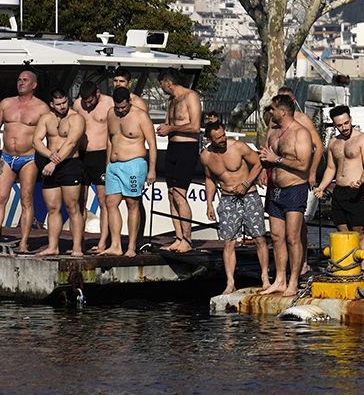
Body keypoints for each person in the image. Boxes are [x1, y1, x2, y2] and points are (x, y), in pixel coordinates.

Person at [202, 120, 268, 295]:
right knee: (228, 242)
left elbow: (259, 162)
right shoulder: (206, 156)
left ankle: (265, 279)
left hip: (249, 196)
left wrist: (246, 183)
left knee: (259, 238)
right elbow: (209, 179)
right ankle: (230, 282)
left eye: (223, 135)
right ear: (209, 139)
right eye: (218, 138)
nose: (223, 139)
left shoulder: (238, 147)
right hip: (227, 199)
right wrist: (209, 203)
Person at [0, 70, 45, 254]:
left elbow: (49, 134)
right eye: (19, 80)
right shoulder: (6, 103)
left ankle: (24, 243)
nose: (21, 83)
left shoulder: (41, 108)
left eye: (25, 80)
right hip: (7, 157)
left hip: (29, 158)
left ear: (34, 85)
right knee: (0, 199)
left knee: (26, 199)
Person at [261, 94, 316, 296]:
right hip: (274, 189)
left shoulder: (300, 133)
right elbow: (266, 156)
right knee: (276, 236)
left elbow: (303, 164)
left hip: (294, 188)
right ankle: (280, 280)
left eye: (273, 109)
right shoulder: (273, 131)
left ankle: (293, 281)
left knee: (293, 238)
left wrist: (277, 159)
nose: (270, 112)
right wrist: (262, 169)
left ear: (282, 111)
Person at [101, 86, 157, 257]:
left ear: (130, 101)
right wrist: (107, 164)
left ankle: (131, 246)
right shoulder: (111, 113)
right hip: (114, 165)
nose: (120, 110)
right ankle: (116, 245)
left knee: (132, 204)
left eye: (123, 107)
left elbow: (152, 145)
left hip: (134, 164)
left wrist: (152, 170)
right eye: (118, 107)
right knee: (110, 203)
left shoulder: (141, 116)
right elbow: (110, 140)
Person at [33, 90, 87, 257]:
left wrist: (53, 162)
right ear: (51, 104)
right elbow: (36, 140)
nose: (62, 106)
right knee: (53, 208)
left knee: (72, 207)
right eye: (58, 104)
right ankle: (53, 246)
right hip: (50, 164)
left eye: (64, 102)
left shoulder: (76, 118)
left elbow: (71, 142)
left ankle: (77, 247)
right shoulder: (46, 118)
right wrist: (50, 155)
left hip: (70, 164)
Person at [155, 72, 204, 253]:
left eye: (161, 84)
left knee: (180, 195)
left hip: (187, 149)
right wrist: (164, 128)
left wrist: (172, 128)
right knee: (170, 194)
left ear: (168, 83)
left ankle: (188, 240)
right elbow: (169, 124)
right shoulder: (172, 101)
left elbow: (195, 126)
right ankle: (178, 237)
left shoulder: (190, 97)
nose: (161, 88)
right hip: (172, 148)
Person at [315, 104, 364, 236]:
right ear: (334, 125)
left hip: (357, 191)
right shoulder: (333, 142)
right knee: (342, 231)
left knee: (358, 233)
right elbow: (331, 168)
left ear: (351, 119)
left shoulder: (363, 139)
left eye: (346, 123)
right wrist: (321, 187)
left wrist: (361, 180)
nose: (344, 127)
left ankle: (363, 257)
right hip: (339, 191)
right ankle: (347, 257)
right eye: (340, 125)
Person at [76, 82, 116, 253]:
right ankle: (78, 242)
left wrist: (110, 159)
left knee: (103, 201)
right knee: (80, 201)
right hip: (82, 155)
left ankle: (102, 243)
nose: (88, 104)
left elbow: (115, 133)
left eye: (91, 101)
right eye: (85, 101)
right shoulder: (77, 104)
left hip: (101, 155)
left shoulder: (109, 104)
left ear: (98, 93)